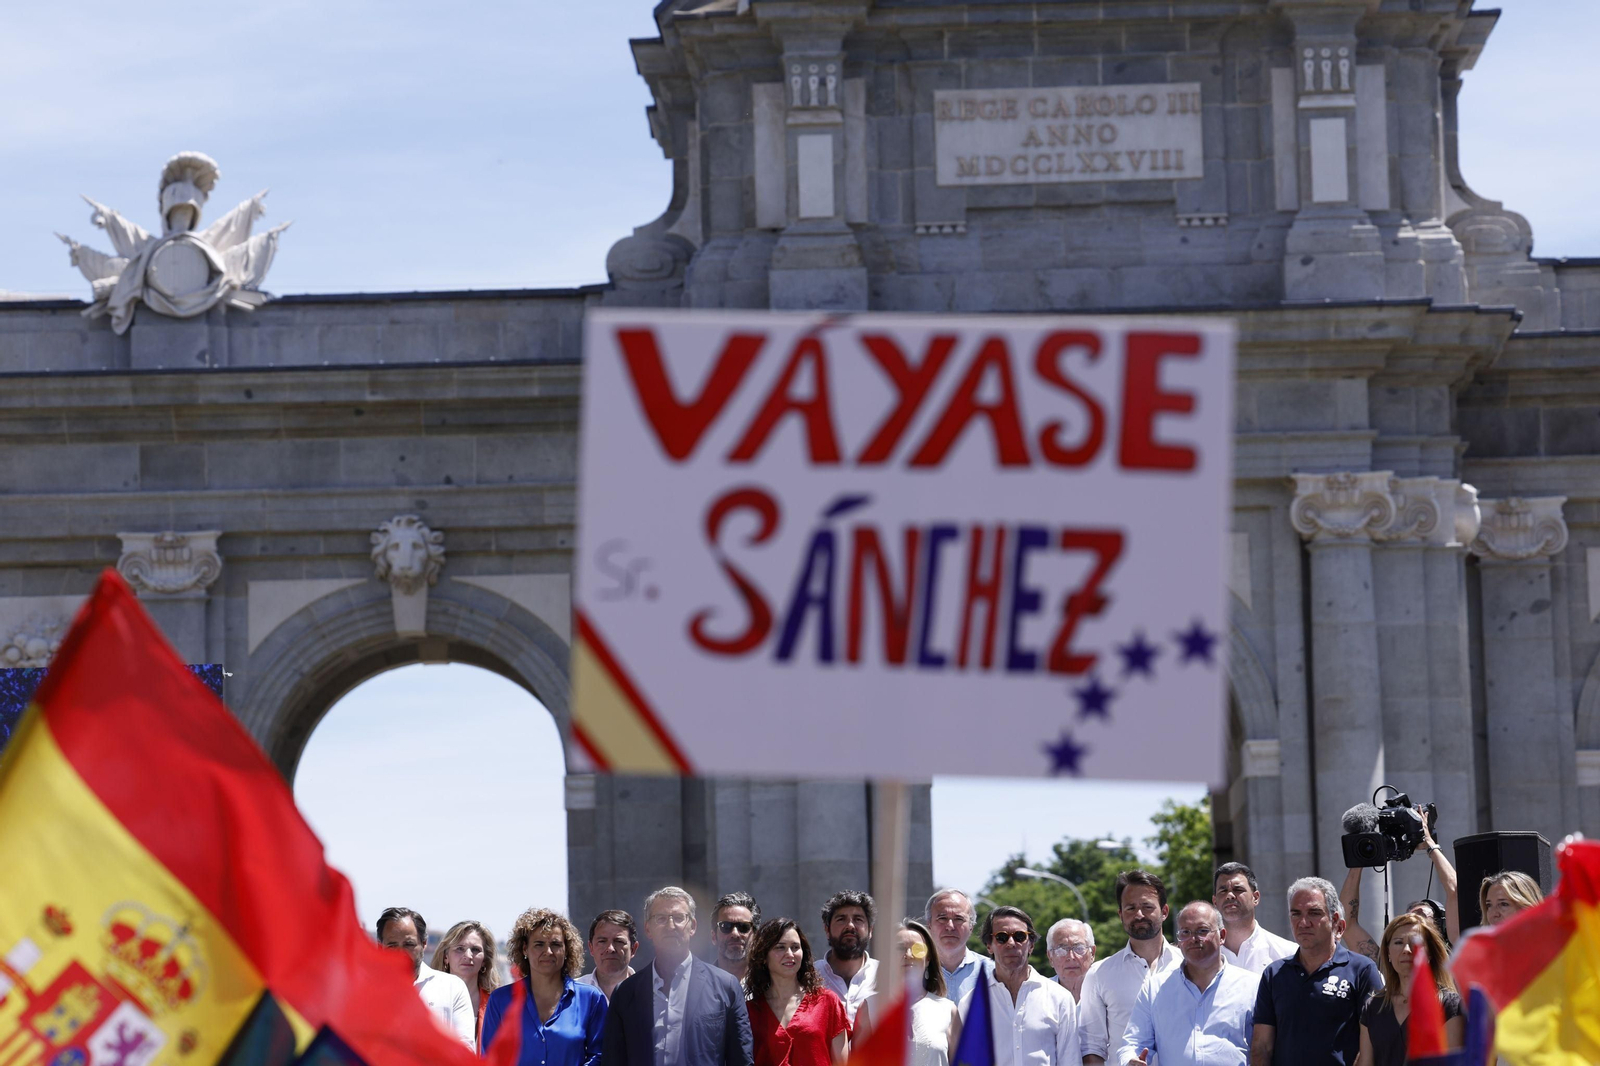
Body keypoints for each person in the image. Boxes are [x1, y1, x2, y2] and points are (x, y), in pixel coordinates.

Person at [601, 887, 753, 1066]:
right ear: (648, 929)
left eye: (679, 918)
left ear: (693, 926)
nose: (671, 926)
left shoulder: (726, 987)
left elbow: (741, 1060)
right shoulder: (626, 993)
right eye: (661, 918)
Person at [1249, 877, 1382, 1066]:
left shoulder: (1362, 970)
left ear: (1335, 920)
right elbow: (1262, 1047)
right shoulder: (1274, 974)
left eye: (1314, 913)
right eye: (1296, 914)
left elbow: (1374, 1042)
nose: (1303, 923)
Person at [1119, 902, 1255, 1066]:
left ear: (1222, 936)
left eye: (1202, 931)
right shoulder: (1155, 988)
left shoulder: (1252, 986)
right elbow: (1134, 1041)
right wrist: (1131, 1059)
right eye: (1185, 932)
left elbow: (1265, 1047)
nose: (1193, 939)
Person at [1079, 870, 1181, 1066]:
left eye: (1147, 906)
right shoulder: (1099, 974)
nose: (1139, 915)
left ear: (1165, 912)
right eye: (1130, 908)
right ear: (1120, 914)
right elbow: (1092, 1046)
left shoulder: (1188, 966)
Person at [482, 909, 607, 1066]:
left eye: (555, 944)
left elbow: (600, 1056)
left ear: (567, 950)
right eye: (539, 944)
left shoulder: (591, 999)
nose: (548, 952)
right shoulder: (500, 1000)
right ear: (525, 949)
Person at [959, 906, 1078, 1066]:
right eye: (1001, 937)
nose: (1011, 943)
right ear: (989, 945)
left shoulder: (1059, 998)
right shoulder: (970, 1004)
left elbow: (1070, 1061)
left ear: (1031, 945)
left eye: (1020, 936)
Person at [1356, 913, 1462, 1066]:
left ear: (1430, 953)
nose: (1406, 950)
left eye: (1415, 943)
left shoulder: (1449, 1005)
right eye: (1398, 942)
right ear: (1388, 953)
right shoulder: (1373, 1007)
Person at [744, 919, 849, 1066]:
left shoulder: (828, 1002)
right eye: (780, 947)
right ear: (763, 957)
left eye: (795, 947)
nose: (789, 954)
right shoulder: (750, 1011)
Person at [379, 906, 475, 1047]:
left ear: (424, 944)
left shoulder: (452, 988)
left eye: (408, 944)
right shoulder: (362, 993)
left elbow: (465, 1051)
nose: (401, 952)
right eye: (392, 945)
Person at [1212, 863, 1296, 975]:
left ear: (1255, 898)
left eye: (1238, 889)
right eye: (1223, 891)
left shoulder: (1288, 954)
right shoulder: (1201, 957)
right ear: (1215, 902)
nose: (1230, 895)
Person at [814, 891, 878, 1037]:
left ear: (870, 930)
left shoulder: (887, 976)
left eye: (858, 919)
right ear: (827, 930)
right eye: (841, 919)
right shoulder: (808, 977)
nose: (850, 925)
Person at [900, 919, 961, 1066]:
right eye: (899, 948)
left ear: (928, 959)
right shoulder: (870, 1007)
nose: (908, 954)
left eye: (917, 949)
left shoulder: (948, 1010)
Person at [432, 920, 501, 1041]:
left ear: (485, 960)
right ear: (446, 957)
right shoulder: (428, 999)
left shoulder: (498, 1006)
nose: (468, 955)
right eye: (460, 948)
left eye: (475, 950)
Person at [925, 888, 991, 1005]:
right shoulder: (913, 972)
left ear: (971, 926)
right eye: (942, 918)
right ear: (929, 924)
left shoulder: (992, 974)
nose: (950, 926)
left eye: (959, 919)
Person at [579, 910, 639, 1000]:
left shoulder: (649, 992)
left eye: (619, 941)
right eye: (602, 941)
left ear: (633, 949)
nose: (610, 949)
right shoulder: (573, 993)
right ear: (591, 948)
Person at [711, 892, 761, 983]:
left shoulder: (771, 985)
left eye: (743, 927)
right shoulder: (697, 985)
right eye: (725, 926)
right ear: (714, 936)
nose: (735, 934)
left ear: (756, 937)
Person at [1043, 919, 1095, 1002]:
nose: (1071, 957)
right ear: (1050, 957)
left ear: (1092, 953)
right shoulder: (1040, 995)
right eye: (1061, 950)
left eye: (1079, 948)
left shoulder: (1107, 990)